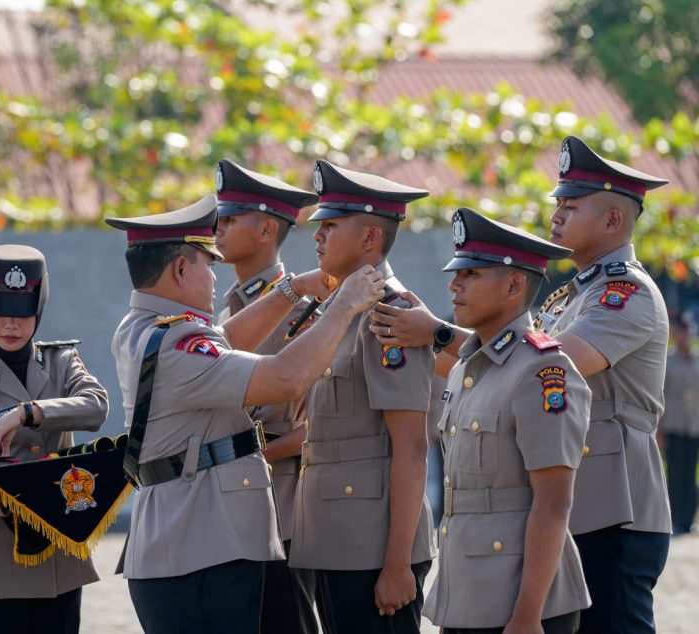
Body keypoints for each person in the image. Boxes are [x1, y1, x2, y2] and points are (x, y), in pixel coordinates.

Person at [370, 136, 672, 633]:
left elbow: (548, 367)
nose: (555, 216)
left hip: (615, 506)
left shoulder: (626, 292)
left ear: (613, 221)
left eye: (570, 206)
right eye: (557, 204)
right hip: (572, 504)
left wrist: (438, 333)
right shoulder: (565, 298)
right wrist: (422, 341)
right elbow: (496, 377)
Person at [105, 193, 384, 634]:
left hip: (190, 544)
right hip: (202, 552)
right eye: (206, 265)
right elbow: (286, 378)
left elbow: (224, 339)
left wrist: (293, 289)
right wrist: (345, 305)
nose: (215, 278)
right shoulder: (180, 347)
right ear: (180, 269)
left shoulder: (147, 327)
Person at [421, 206, 591, 633]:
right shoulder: (465, 367)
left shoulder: (543, 370)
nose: (455, 284)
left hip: (521, 603)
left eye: (472, 274)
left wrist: (527, 615)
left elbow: (553, 503)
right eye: (456, 273)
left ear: (515, 284)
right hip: (466, 592)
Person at [288, 160, 436, 634]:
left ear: (371, 237)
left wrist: (396, 564)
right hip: (336, 538)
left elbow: (411, 446)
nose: (318, 236)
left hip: (373, 549)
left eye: (331, 226)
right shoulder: (339, 311)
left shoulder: (389, 314)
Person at [0, 244, 109, 634]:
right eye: (1, 314)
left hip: (58, 567)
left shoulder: (61, 363)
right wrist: (27, 503)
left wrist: (29, 412)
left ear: (38, 313)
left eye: (22, 314)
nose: (11, 325)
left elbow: (96, 406)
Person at [214, 158, 320, 634]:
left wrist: (257, 453)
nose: (217, 228)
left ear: (266, 230)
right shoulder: (228, 307)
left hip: (285, 502)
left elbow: (326, 423)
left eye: (231, 218)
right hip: (230, 501)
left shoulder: (306, 311)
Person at [659, 314, 699, 535]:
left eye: (688, 332)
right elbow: (660, 397)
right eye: (680, 333)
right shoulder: (668, 362)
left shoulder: (697, 361)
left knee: (690, 474)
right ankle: (674, 519)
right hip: (673, 426)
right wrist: (659, 430)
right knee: (674, 474)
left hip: (694, 427)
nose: (684, 337)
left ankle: (688, 520)